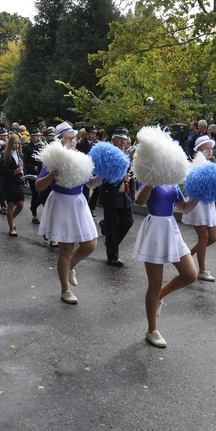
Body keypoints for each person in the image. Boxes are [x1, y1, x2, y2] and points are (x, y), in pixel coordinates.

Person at [35, 122, 102, 304]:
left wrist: (103, 174)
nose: (72, 141)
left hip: (78, 202)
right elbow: (39, 185)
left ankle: (70, 268)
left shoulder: (81, 157)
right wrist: (52, 174)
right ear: (60, 140)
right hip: (61, 203)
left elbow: (90, 184)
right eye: (68, 138)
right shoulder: (53, 158)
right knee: (66, 248)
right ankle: (65, 289)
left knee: (90, 245)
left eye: (74, 138)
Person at [134, 180, 198, 348]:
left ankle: (159, 297)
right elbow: (139, 201)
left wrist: (200, 194)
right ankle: (152, 330)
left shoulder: (173, 180)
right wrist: (150, 182)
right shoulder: (147, 177)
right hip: (154, 230)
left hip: (171, 230)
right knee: (154, 284)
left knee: (190, 274)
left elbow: (184, 208)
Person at [182, 135, 216, 282]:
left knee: (213, 238)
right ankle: (202, 270)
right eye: (207, 148)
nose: (210, 151)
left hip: (209, 205)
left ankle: (187, 256)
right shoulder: (194, 166)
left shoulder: (212, 164)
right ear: (199, 150)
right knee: (204, 237)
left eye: (211, 148)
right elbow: (190, 186)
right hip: (198, 205)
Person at [98, 127, 135, 267]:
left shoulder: (126, 153)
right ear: (113, 139)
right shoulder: (107, 153)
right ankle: (112, 255)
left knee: (128, 221)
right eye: (120, 138)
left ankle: (110, 243)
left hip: (124, 192)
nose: (123, 141)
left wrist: (132, 192)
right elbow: (104, 174)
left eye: (125, 139)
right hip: (111, 192)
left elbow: (130, 177)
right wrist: (120, 177)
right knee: (112, 225)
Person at [0, 133, 25, 236]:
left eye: (18, 143)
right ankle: (11, 228)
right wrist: (14, 171)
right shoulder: (4, 154)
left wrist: (22, 170)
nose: (17, 145)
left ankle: (10, 219)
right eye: (15, 143)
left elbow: (23, 167)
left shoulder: (20, 154)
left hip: (18, 181)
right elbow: (1, 170)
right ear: (10, 143)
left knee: (21, 204)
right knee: (10, 204)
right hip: (8, 182)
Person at [22, 128, 44, 225]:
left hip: (40, 173)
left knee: (42, 194)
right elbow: (25, 162)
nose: (38, 137)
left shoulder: (40, 146)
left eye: (39, 135)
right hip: (32, 173)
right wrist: (33, 167)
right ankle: (34, 215)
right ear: (31, 137)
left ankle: (33, 207)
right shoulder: (27, 148)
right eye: (36, 136)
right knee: (35, 194)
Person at [76, 126, 99, 215]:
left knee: (97, 190)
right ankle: (84, 209)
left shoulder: (96, 144)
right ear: (87, 134)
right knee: (85, 190)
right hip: (85, 169)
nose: (94, 135)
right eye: (92, 133)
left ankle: (90, 207)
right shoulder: (81, 144)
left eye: (95, 133)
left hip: (94, 169)